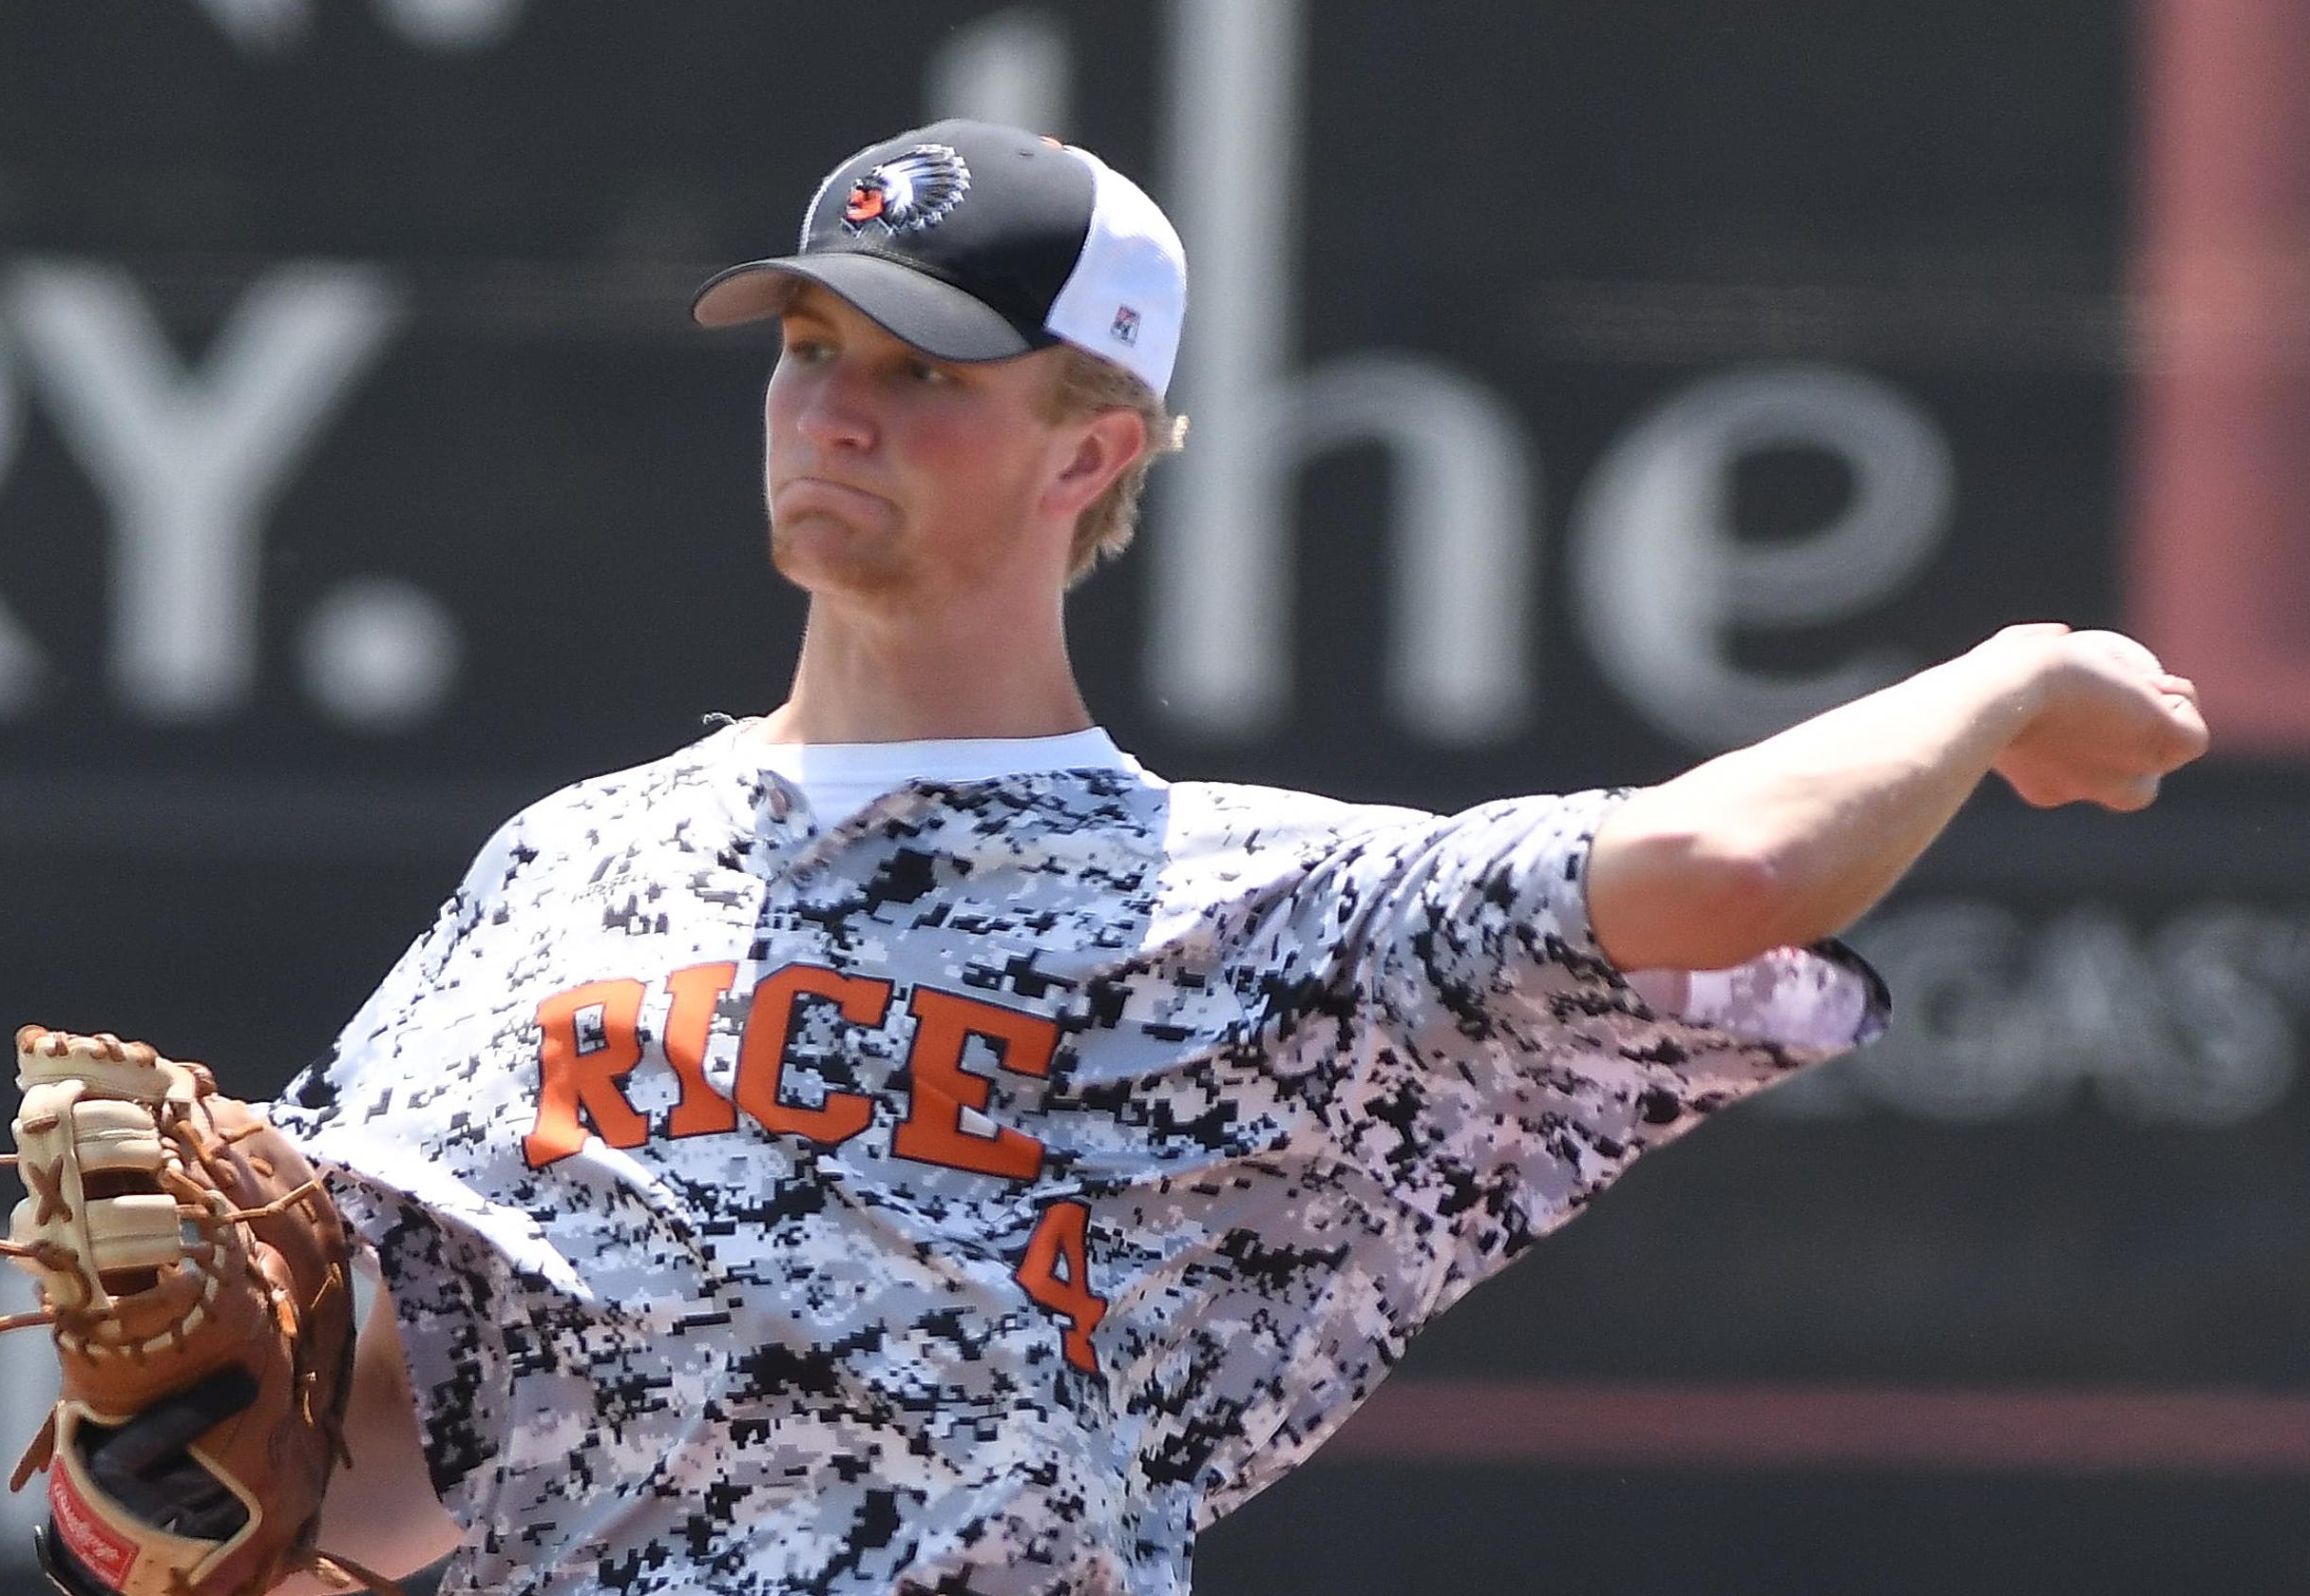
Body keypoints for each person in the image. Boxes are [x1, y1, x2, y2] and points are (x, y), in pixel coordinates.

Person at [248, 120, 2211, 1596]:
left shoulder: (1234, 913)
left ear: (1089, 451)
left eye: (924, 374)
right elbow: (404, 1441)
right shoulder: (570, 867)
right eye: (807, 349)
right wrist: (164, 1474)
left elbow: (1718, 874)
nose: (833, 410)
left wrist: (2012, 671)